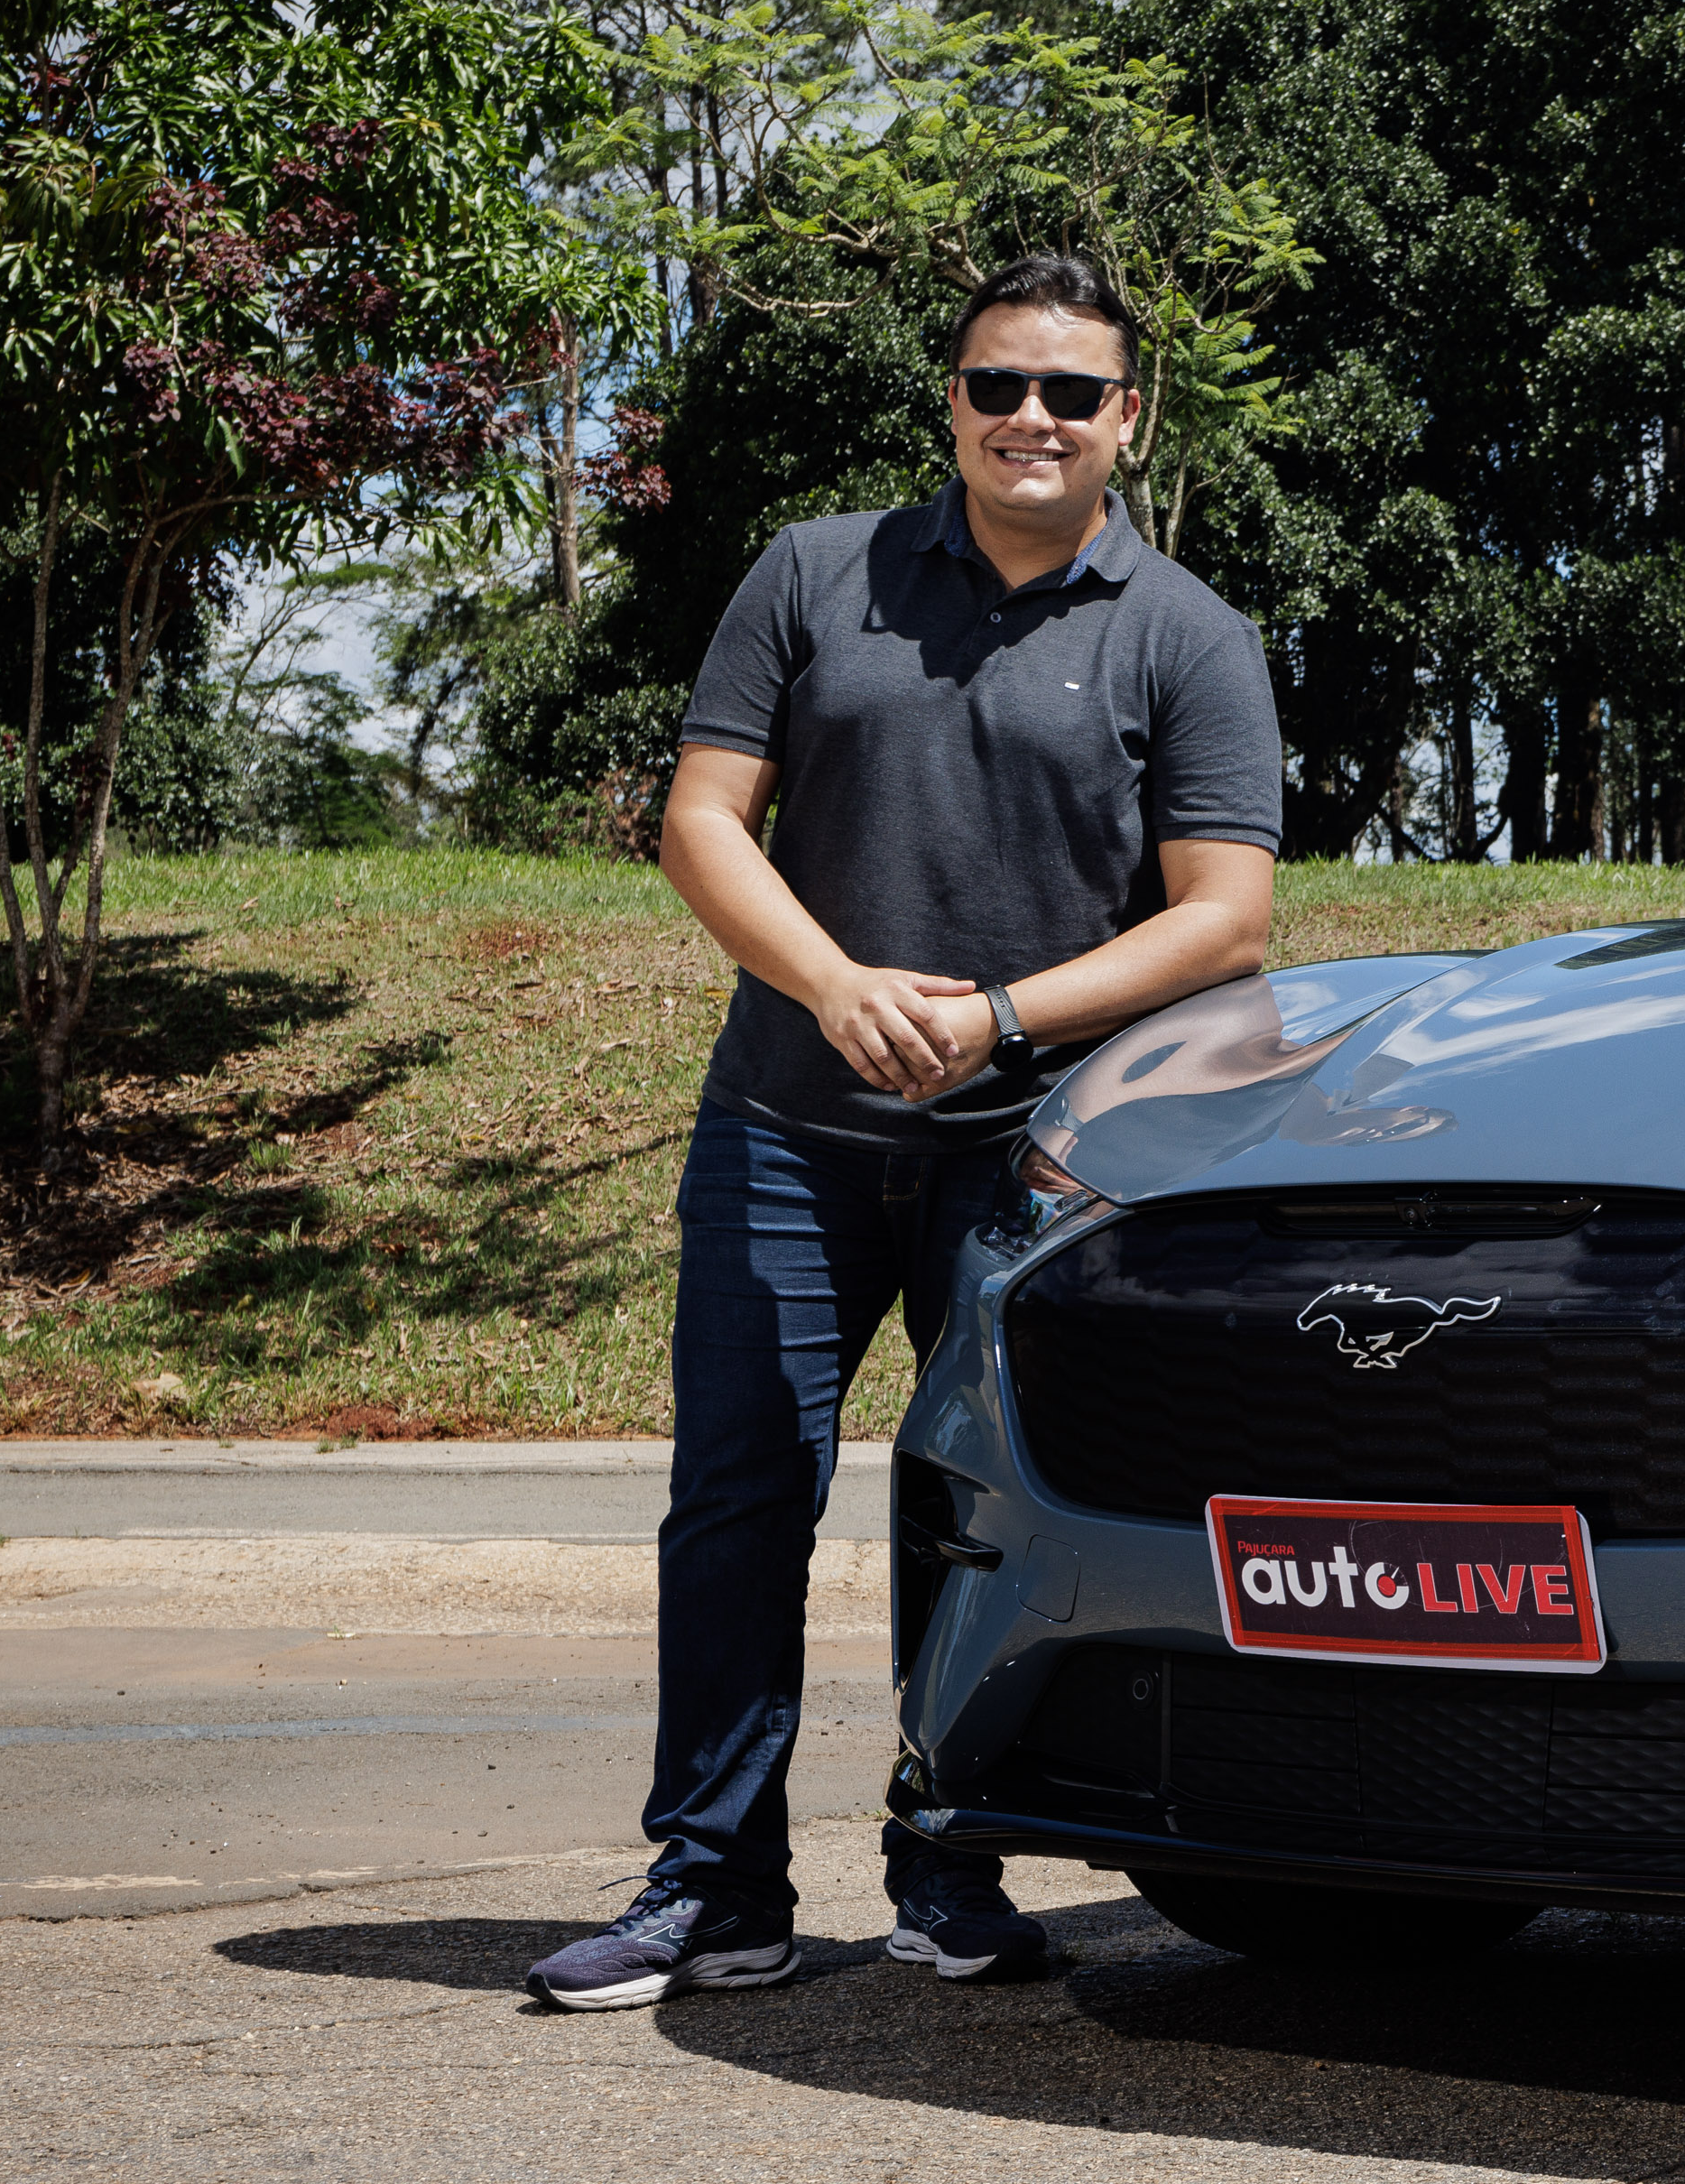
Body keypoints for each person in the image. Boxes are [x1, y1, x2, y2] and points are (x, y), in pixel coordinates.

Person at [529, 250, 1282, 2011]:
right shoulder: (813, 573)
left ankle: (949, 1865)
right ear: (951, 403)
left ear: (1127, 420)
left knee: (975, 1513)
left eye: (1071, 393)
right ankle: (713, 1890)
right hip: (786, 1129)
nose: (1032, 417)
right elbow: (704, 822)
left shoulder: (1188, 634)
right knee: (737, 1501)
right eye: (997, 385)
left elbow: (1225, 919)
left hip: (1031, 1156)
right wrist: (833, 985)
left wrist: (998, 1018)